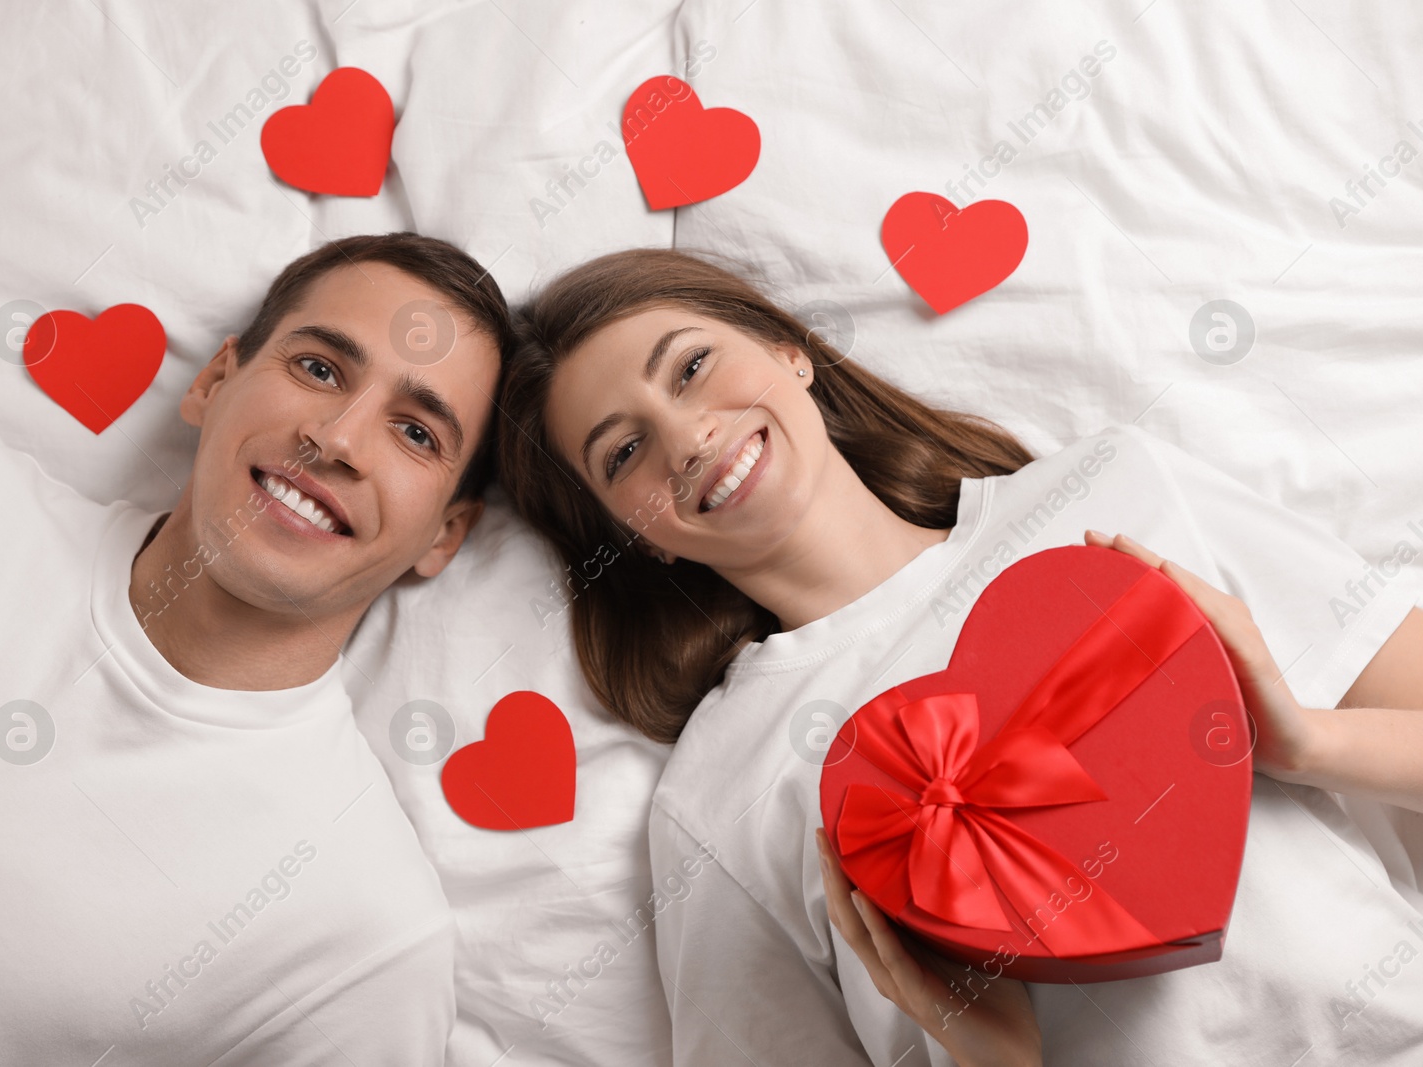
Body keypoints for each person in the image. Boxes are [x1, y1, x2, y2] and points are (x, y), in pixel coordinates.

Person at [495, 247, 1423, 1066]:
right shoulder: (715, 801)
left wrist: (1305, 744)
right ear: (635, 537)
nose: (688, 437)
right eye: (624, 454)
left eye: (692, 367)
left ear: (791, 352)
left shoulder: (1115, 492)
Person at [0, 233, 512, 1065]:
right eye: (320, 369)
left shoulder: (362, 937)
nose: (336, 438)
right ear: (214, 381)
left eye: (415, 432)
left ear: (444, 535)